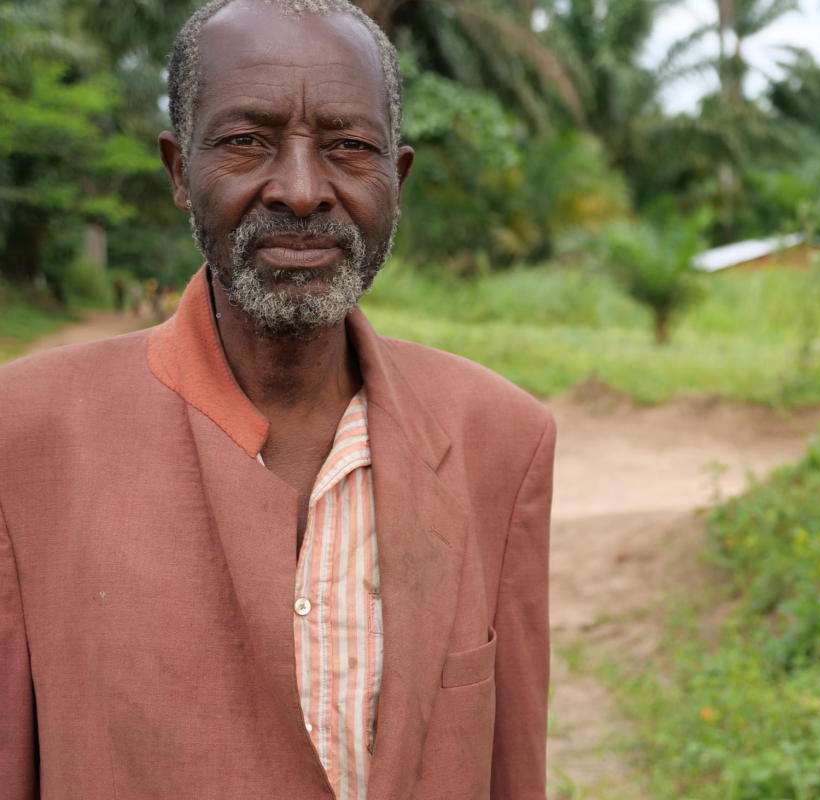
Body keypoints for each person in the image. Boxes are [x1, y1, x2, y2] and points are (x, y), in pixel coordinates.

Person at [0, 1, 555, 798]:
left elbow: (510, 769)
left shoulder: (500, 438)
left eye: (348, 147)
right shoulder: (24, 438)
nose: (300, 191)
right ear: (178, 172)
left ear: (396, 181)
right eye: (246, 141)